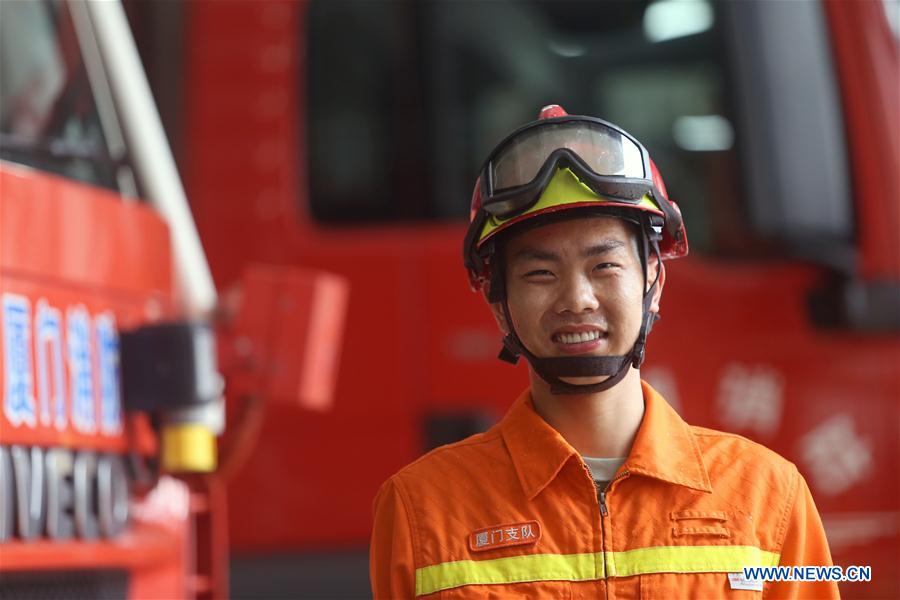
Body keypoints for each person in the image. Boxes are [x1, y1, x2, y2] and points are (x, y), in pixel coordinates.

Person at [370, 105, 837, 599]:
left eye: (605, 266)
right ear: (500, 305)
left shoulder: (768, 494)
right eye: (540, 274)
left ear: (653, 283)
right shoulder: (420, 509)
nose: (577, 299)